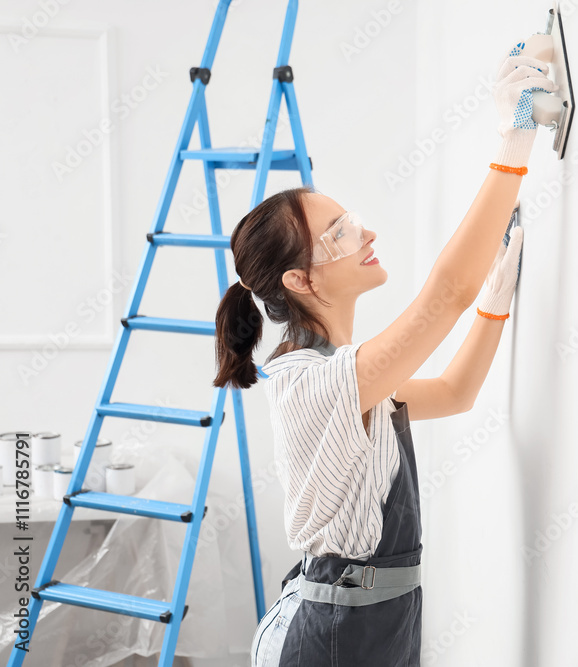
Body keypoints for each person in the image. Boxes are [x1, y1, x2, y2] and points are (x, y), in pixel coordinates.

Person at [212, 39, 556, 666]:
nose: (366, 233)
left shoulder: (347, 374)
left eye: (351, 220)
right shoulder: (315, 383)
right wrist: (515, 140)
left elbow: (455, 393)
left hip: (376, 618)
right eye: (340, 234)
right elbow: (443, 296)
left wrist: (494, 301)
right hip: (337, 633)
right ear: (300, 280)